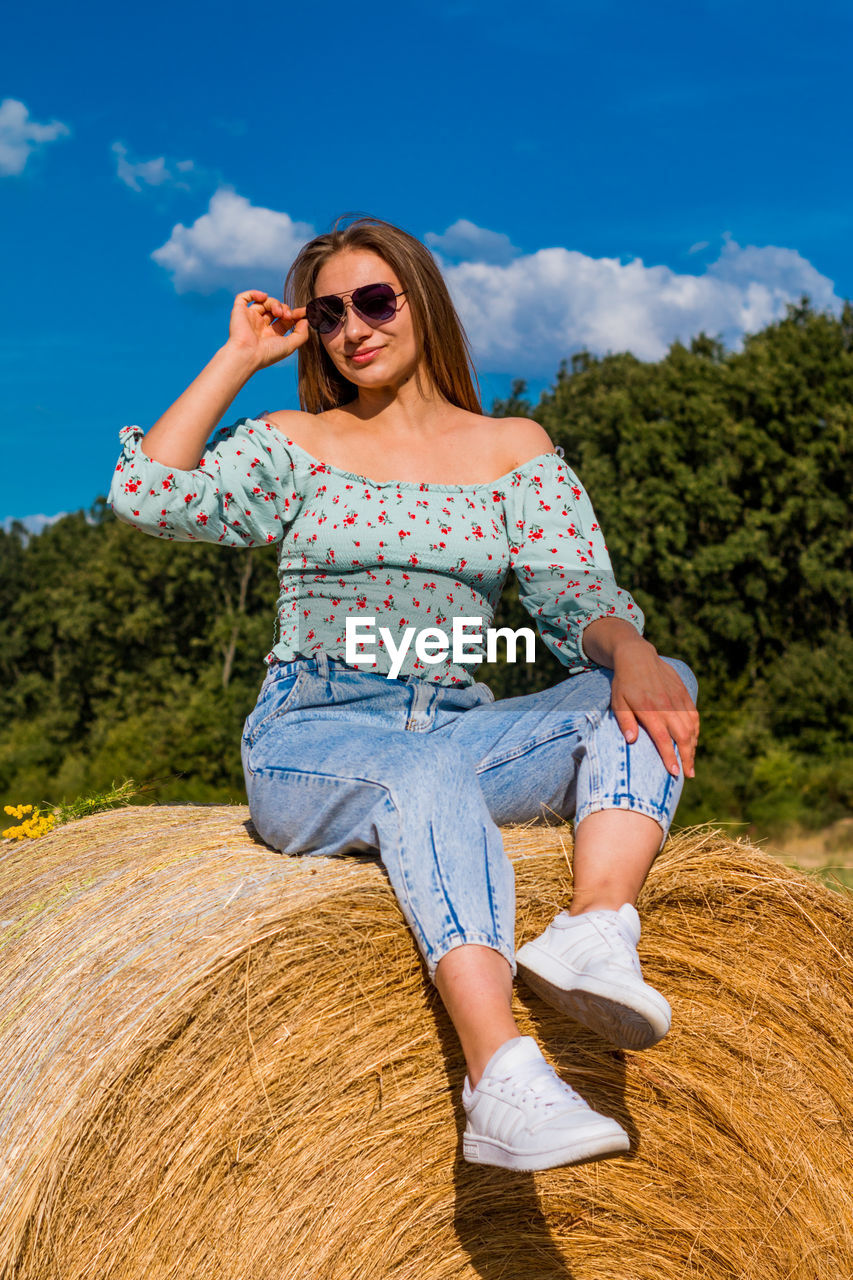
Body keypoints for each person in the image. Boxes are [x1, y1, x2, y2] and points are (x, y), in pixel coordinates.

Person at [109, 213, 699, 1173]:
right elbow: (148, 494)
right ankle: (497, 1076)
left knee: (660, 681)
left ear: (421, 301)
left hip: (459, 733)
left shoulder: (512, 448)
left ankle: (595, 926)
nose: (354, 327)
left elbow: (574, 600)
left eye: (375, 300)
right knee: (419, 768)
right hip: (316, 732)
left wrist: (627, 646)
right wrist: (238, 357)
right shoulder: (294, 440)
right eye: (331, 313)